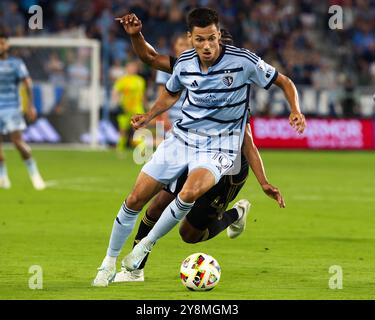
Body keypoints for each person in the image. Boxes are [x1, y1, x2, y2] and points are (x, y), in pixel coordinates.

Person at [92, 8, 305, 287]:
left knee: (189, 223)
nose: (207, 46)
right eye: (200, 40)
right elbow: (161, 76)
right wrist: (149, 116)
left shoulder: (244, 64)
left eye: (212, 39)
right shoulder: (185, 63)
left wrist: (295, 111)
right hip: (182, 139)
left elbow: (280, 88)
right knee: (137, 200)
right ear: (190, 38)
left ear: (220, 38)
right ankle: (109, 263)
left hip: (222, 151)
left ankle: (144, 248)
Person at [0, 32, 45, 190]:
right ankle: (3, 177)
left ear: (7, 45)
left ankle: (34, 174)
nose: (0, 46)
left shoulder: (16, 63)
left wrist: (30, 106)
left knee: (17, 142)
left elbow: (27, 83)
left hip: (12, 108)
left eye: (2, 43)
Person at [112, 59, 147, 151]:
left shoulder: (140, 80)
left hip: (137, 108)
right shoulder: (123, 80)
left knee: (139, 129)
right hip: (125, 108)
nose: (132, 69)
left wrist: (145, 105)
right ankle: (120, 148)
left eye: (134, 67)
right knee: (123, 129)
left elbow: (142, 94)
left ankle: (142, 150)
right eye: (130, 67)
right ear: (127, 68)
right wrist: (116, 102)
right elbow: (115, 91)